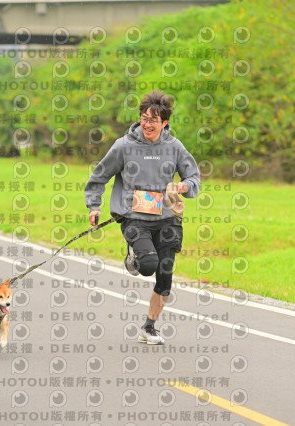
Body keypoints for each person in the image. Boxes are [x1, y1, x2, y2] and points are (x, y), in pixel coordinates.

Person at [84, 90, 200, 344]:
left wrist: (185, 186)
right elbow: (99, 176)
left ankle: (149, 327)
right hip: (134, 217)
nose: (147, 124)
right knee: (148, 266)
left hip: (167, 218)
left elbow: (194, 177)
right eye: (144, 118)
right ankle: (134, 255)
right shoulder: (123, 146)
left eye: (154, 120)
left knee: (165, 276)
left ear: (165, 122)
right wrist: (94, 205)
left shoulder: (174, 147)